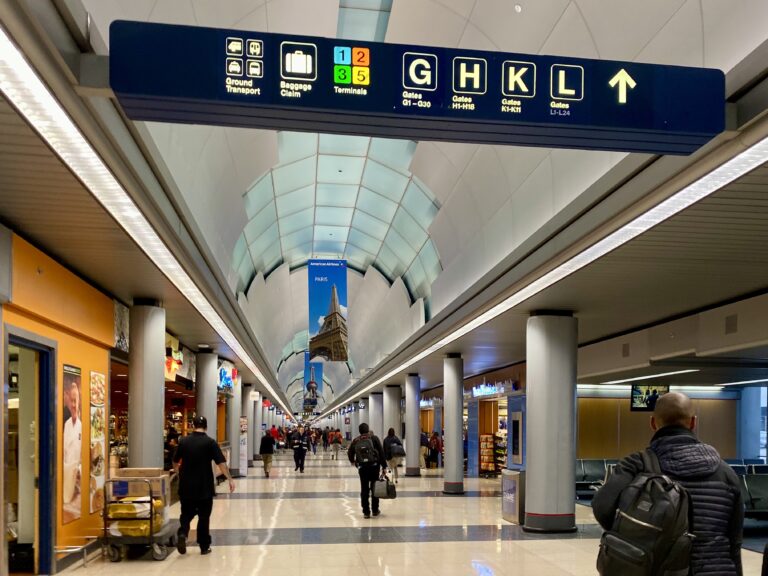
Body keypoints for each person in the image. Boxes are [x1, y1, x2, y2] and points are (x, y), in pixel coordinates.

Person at [592, 392, 743, 575]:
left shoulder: (636, 464)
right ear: (693, 423)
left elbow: (602, 508)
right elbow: (734, 543)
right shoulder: (726, 473)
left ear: (653, 423)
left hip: (657, 568)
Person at [172, 415, 235, 556]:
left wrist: (178, 474)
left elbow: (175, 462)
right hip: (204, 487)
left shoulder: (184, 441)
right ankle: (204, 546)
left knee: (186, 514)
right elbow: (221, 463)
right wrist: (230, 479)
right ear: (206, 427)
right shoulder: (210, 443)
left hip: (186, 486)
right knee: (204, 516)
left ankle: (182, 533)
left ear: (193, 425)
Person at [348, 422, 386, 519]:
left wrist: (353, 461)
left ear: (359, 431)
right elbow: (381, 453)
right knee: (374, 488)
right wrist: (384, 466)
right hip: (374, 467)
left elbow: (350, 452)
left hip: (362, 468)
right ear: (368, 430)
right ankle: (375, 510)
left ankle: (366, 512)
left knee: (364, 489)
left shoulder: (356, 440)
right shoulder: (374, 438)